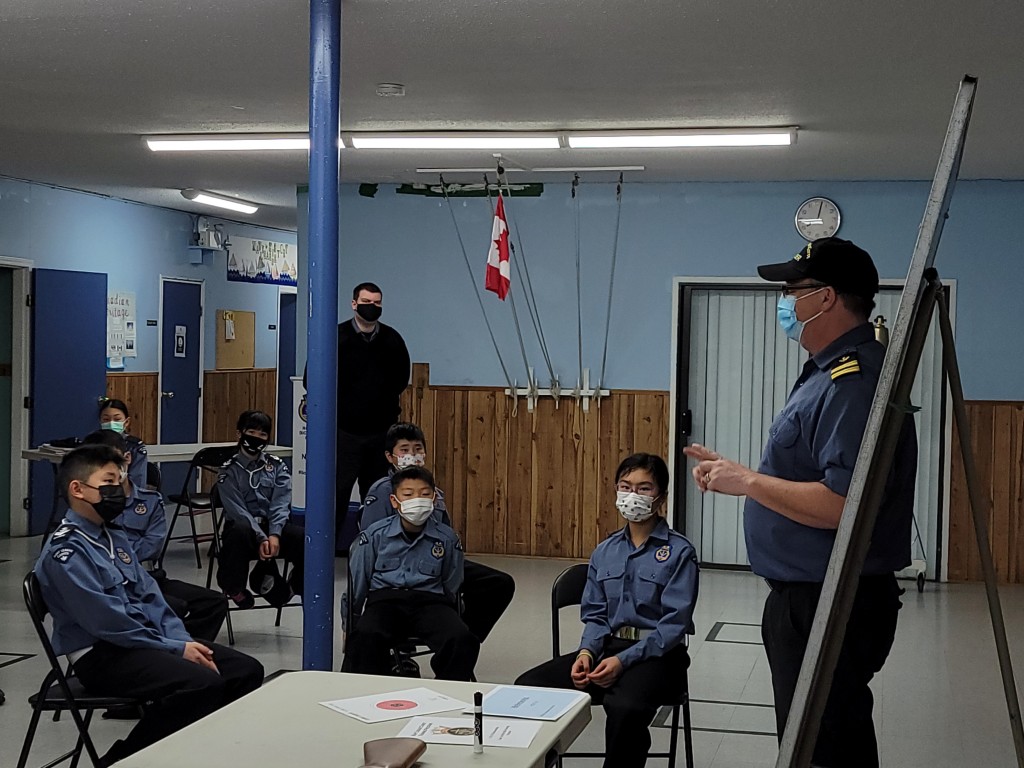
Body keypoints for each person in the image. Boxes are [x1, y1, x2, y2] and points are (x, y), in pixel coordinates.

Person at [684, 237, 917, 768]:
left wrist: (749, 482)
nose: (784, 302)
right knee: (823, 739)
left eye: (792, 291)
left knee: (822, 746)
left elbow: (843, 504)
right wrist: (742, 474)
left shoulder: (854, 381)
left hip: (829, 600)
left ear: (826, 297)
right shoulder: (826, 371)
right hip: (809, 595)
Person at [34, 445, 264, 765]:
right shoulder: (67, 551)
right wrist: (175, 649)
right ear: (78, 489)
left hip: (142, 641)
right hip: (101, 654)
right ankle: (123, 761)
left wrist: (180, 639)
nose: (119, 489)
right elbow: (109, 623)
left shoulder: (111, 535)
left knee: (245, 671)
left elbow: (150, 595)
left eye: (120, 479)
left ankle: (187, 752)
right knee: (200, 683)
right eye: (108, 481)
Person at [516, 453, 698, 768]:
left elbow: (673, 626)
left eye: (644, 488)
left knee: (626, 707)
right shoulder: (605, 551)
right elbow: (596, 615)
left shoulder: (679, 552)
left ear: (661, 497)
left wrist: (622, 661)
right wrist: (586, 653)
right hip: (607, 649)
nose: (632, 495)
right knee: (527, 688)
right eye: (625, 486)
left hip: (659, 656)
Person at [359, 422, 515, 643]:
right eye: (404, 450)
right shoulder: (382, 491)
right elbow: (369, 543)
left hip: (434, 559)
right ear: (390, 456)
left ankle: (463, 636)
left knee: (499, 583)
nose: (412, 455)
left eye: (418, 448)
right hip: (396, 564)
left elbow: (446, 533)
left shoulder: (434, 492)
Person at [81, 430, 228, 641]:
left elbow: (152, 547)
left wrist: (120, 554)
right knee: (174, 607)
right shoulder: (89, 503)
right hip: (112, 584)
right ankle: (169, 649)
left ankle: (182, 652)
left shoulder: (150, 501)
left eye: (112, 459)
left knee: (214, 602)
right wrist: (123, 555)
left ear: (127, 458)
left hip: (148, 576)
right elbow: (95, 551)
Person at [342, 466, 479, 681]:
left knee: (461, 639)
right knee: (365, 637)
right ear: (394, 501)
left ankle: (444, 691)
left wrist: (447, 611)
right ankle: (374, 690)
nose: (417, 500)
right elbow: (358, 583)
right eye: (408, 494)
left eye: (424, 494)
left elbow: (451, 582)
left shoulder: (447, 538)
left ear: (434, 499)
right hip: (385, 602)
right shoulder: (375, 535)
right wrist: (349, 623)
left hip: (430, 602)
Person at [335, 281, 411, 543]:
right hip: (344, 433)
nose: (372, 307)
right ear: (354, 304)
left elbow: (401, 379)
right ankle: (325, 555)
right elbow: (315, 378)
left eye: (377, 303)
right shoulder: (336, 337)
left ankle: (375, 551)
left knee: (377, 496)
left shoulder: (392, 339)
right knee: (337, 495)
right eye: (366, 302)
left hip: (381, 434)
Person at [216, 410, 304, 608]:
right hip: (243, 531)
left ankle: (293, 586)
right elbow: (237, 510)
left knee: (305, 539)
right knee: (238, 531)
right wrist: (261, 537)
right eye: (251, 432)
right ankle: (235, 590)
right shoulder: (228, 470)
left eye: (262, 434)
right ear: (239, 434)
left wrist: (274, 534)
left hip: (271, 528)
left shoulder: (277, 466)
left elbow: (281, 502)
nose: (256, 438)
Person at [98, 398, 148, 490]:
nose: (111, 423)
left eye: (117, 419)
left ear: (126, 422)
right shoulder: (93, 444)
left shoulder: (134, 447)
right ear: (100, 421)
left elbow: (138, 483)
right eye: (106, 419)